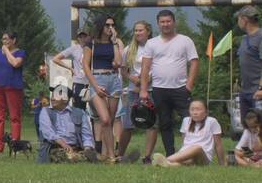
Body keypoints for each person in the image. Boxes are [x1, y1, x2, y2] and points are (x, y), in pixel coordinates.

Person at [139, 9, 198, 158]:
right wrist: (143, 90)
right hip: (159, 89)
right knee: (165, 123)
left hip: (180, 89)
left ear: (174, 22)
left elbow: (195, 62)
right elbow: (145, 67)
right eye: (162, 22)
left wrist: (189, 86)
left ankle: (189, 153)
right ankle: (171, 155)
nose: (165, 24)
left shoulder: (185, 40)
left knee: (189, 120)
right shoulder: (152, 43)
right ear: (158, 24)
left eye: (168, 21)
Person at [84, 14, 125, 162]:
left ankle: (109, 154)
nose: (110, 28)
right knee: (105, 120)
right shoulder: (91, 42)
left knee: (112, 119)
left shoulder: (116, 42)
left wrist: (114, 43)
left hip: (114, 80)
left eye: (113, 25)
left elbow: (118, 63)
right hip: (98, 80)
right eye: (107, 25)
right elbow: (85, 66)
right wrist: (95, 85)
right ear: (101, 26)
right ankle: (110, 155)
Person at [118, 20, 159, 163]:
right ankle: (120, 155)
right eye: (135, 30)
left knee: (152, 123)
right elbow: (123, 69)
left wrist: (147, 79)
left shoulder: (155, 46)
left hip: (152, 89)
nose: (137, 33)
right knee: (128, 124)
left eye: (140, 30)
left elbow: (159, 67)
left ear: (148, 31)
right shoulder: (129, 49)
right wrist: (133, 78)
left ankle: (147, 156)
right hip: (133, 90)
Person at [37, 77, 97, 163]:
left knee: (89, 156)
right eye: (53, 95)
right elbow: (48, 132)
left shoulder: (80, 113)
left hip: (76, 149)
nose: (53, 98)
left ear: (66, 100)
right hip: (55, 148)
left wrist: (87, 149)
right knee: (63, 156)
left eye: (57, 95)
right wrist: (63, 144)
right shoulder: (45, 111)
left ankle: (84, 158)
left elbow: (86, 135)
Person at [0, 30, 26, 154]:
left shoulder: (20, 53)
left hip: (13, 87)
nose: (4, 41)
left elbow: (15, 63)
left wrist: (7, 51)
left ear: (14, 40)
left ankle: (15, 146)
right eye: (3, 39)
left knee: (15, 117)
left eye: (7, 39)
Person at [153, 99, 224, 167]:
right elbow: (185, 142)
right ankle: (167, 164)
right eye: (192, 109)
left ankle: (167, 160)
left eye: (198, 109)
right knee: (188, 162)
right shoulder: (186, 120)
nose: (195, 112)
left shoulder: (212, 121)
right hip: (187, 155)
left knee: (197, 147)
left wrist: (222, 164)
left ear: (206, 112)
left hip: (203, 157)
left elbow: (218, 145)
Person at [235, 6, 262, 118]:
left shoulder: (260, 36)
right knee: (247, 128)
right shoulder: (245, 38)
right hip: (245, 92)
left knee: (259, 128)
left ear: (244, 19)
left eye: (238, 18)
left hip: (257, 92)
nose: (238, 21)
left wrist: (261, 89)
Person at [52, 30, 91, 106]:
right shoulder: (74, 48)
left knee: (95, 111)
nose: (83, 39)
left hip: (92, 83)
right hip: (79, 82)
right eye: (80, 37)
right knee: (78, 108)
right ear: (78, 39)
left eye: (85, 36)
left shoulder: (93, 48)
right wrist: (70, 68)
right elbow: (56, 59)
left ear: (88, 37)